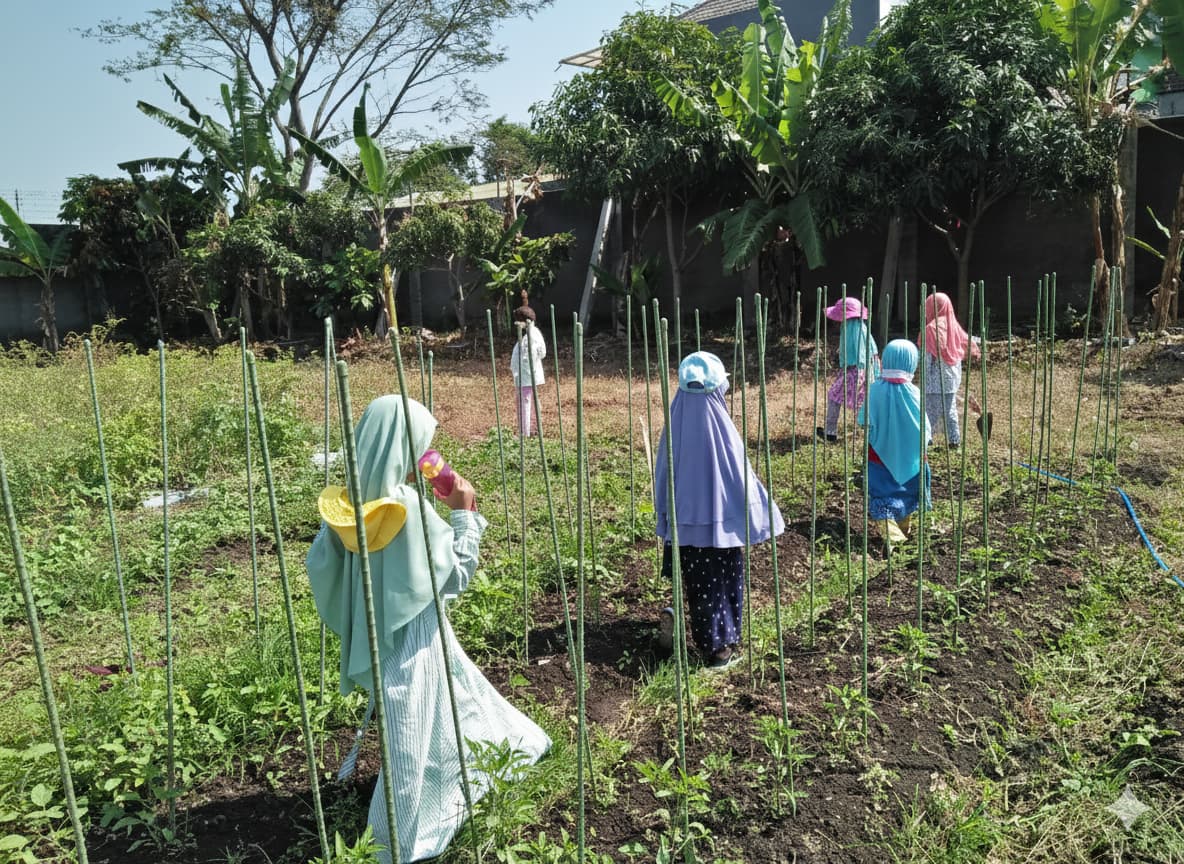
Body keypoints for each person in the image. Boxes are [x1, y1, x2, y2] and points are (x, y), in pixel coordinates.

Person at [306, 395, 550, 863]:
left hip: (380, 640)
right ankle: (394, 838)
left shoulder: (342, 507)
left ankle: (473, 764)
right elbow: (453, 577)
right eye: (420, 446)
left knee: (448, 700)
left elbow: (325, 570)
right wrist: (464, 512)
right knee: (408, 736)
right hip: (415, 642)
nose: (426, 456)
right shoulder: (406, 510)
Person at [654, 351, 785, 669]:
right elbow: (742, 478)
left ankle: (686, 621)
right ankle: (718, 652)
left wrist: (665, 516)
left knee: (697, 585)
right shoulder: (722, 429)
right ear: (717, 388)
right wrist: (760, 513)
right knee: (722, 586)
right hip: (722, 532)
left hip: (685, 527)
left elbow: (661, 473)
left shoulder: (676, 423)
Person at [858, 339, 932, 546]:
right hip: (912, 460)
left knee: (883, 497)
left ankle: (894, 541)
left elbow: (864, 421)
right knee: (906, 496)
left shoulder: (875, 391)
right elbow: (925, 429)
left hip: (879, 457)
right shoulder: (915, 393)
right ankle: (902, 536)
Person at [919, 291, 980, 447]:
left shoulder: (931, 329)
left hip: (934, 376)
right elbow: (970, 344)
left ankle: (927, 439)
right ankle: (954, 440)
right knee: (949, 409)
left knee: (929, 410)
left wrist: (922, 377)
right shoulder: (953, 325)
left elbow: (926, 358)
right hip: (952, 375)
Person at [818, 297, 879, 443]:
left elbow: (862, 353)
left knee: (835, 395)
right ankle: (872, 432)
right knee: (862, 402)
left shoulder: (855, 329)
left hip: (857, 370)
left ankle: (831, 431)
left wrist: (860, 374)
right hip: (860, 369)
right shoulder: (857, 327)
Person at [509, 291, 546, 437]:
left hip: (526, 378)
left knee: (524, 404)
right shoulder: (535, 333)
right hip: (529, 377)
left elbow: (527, 358)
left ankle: (525, 432)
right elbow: (542, 352)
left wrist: (522, 373)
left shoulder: (529, 337)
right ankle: (533, 429)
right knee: (531, 403)